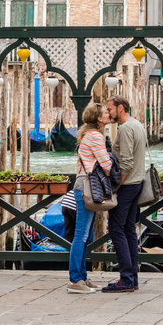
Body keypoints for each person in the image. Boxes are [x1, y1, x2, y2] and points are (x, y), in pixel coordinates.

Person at [67, 103, 112, 294]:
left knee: (85, 236)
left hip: (84, 186)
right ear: (99, 119)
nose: (109, 114)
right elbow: (106, 165)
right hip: (86, 188)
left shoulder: (89, 135)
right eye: (105, 113)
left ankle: (82, 277)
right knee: (81, 235)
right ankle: (75, 280)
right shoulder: (95, 136)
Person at [103, 95, 146, 293]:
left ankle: (126, 279)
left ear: (120, 108)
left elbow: (126, 163)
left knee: (116, 230)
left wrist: (115, 187)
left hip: (127, 185)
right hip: (136, 183)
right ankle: (132, 279)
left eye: (110, 109)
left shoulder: (126, 128)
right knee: (128, 230)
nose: (109, 113)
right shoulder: (137, 124)